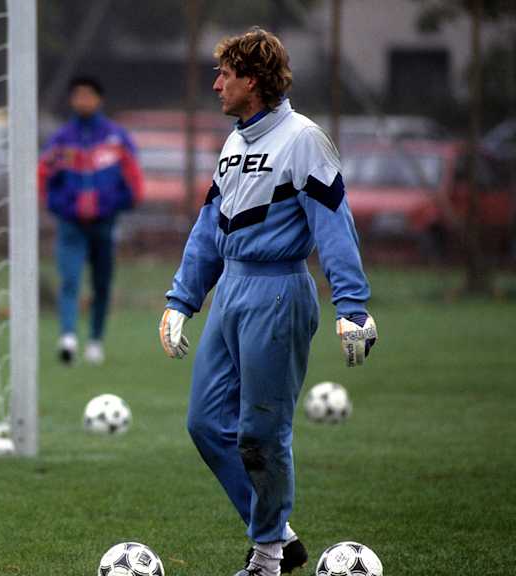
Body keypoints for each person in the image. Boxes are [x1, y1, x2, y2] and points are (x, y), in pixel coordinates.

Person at [158, 28, 378, 576]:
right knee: (206, 423)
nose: (216, 85)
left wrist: (352, 306)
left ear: (253, 80)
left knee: (261, 434)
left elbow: (335, 226)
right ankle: (280, 535)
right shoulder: (235, 142)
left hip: (278, 292)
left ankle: (267, 558)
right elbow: (209, 228)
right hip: (230, 292)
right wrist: (182, 299)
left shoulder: (303, 139)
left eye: (225, 75)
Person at [38, 76, 143, 365]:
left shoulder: (116, 138)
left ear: (99, 99)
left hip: (104, 223)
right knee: (69, 278)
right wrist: (58, 205)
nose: (83, 101)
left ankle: (95, 341)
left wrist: (120, 203)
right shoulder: (61, 140)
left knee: (102, 283)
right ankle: (68, 338)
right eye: (78, 95)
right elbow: (44, 175)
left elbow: (133, 177)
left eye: (88, 95)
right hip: (70, 223)